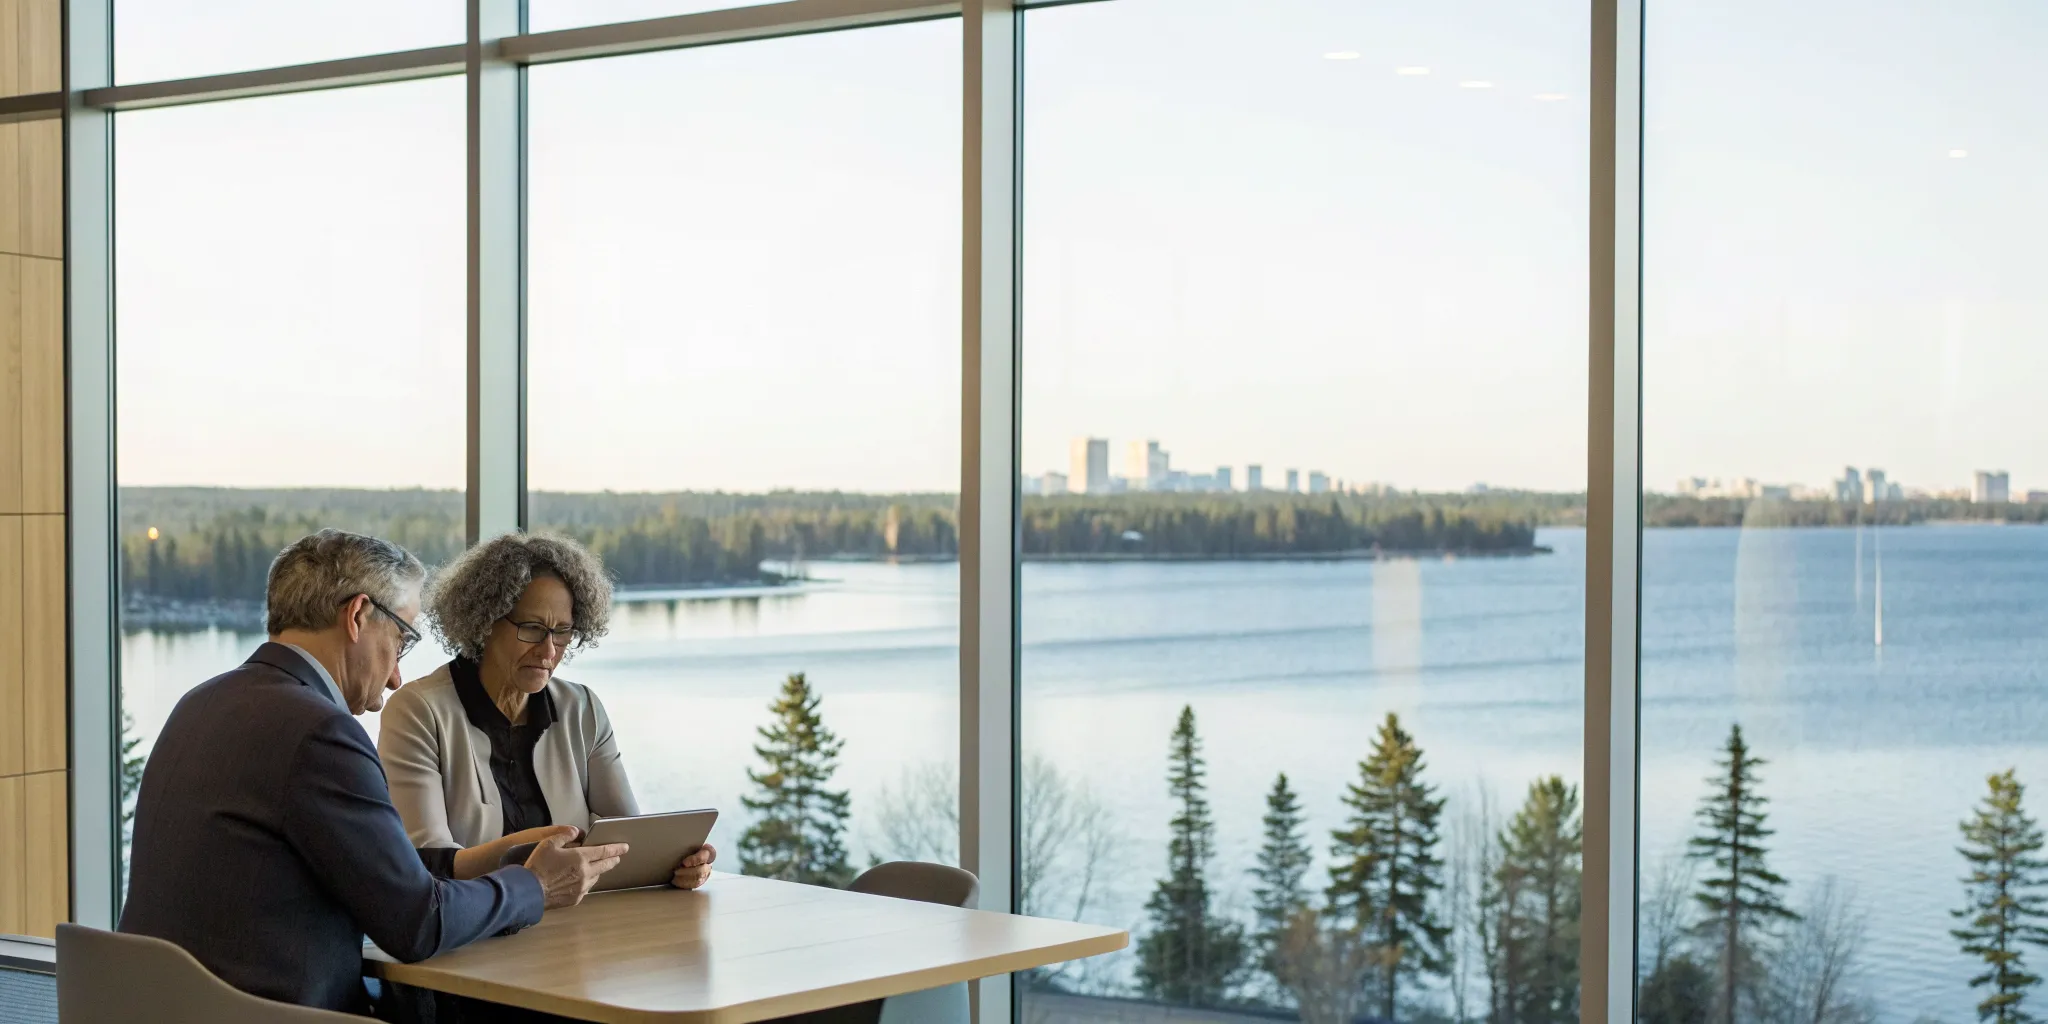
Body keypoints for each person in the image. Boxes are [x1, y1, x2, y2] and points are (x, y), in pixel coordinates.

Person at [120, 529, 630, 1018]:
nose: (396, 677)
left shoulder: (199, 703)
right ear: (358, 615)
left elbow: (391, 879)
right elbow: (417, 924)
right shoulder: (320, 733)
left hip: (159, 1006)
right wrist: (533, 886)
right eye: (401, 640)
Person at [380, 531, 716, 890]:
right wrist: (537, 856)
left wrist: (678, 863)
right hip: (472, 920)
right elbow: (428, 862)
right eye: (532, 628)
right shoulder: (418, 711)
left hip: (576, 920)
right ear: (484, 621)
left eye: (562, 631)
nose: (549, 651)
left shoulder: (583, 708)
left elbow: (630, 841)